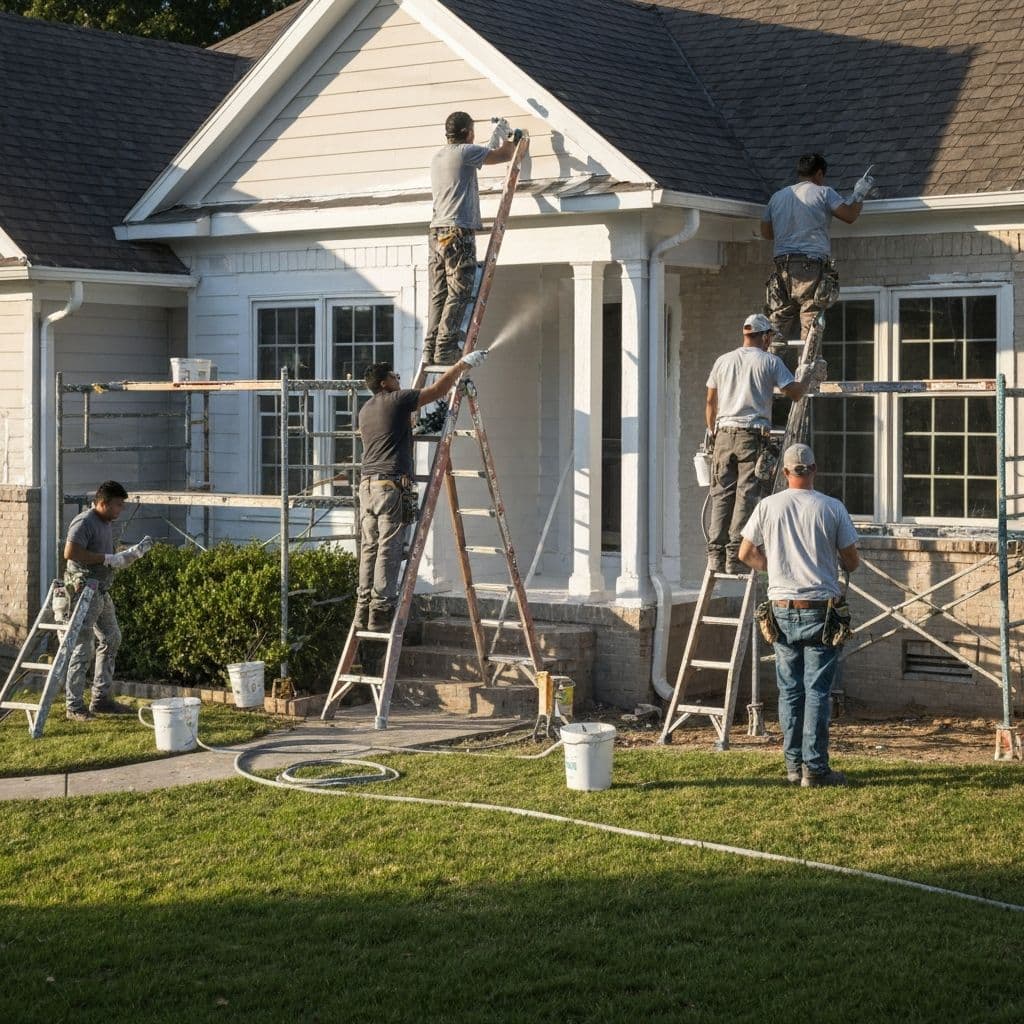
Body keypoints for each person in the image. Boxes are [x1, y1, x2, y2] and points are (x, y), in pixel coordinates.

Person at [738, 443, 860, 787]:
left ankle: (793, 768)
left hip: (780, 610)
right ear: (814, 469)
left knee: (789, 691)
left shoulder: (767, 506)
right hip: (821, 610)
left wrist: (773, 569)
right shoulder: (831, 508)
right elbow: (851, 562)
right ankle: (815, 769)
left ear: (786, 472)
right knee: (817, 692)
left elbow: (745, 552)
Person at [355, 349, 489, 632]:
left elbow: (391, 432)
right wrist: (462, 364)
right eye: (393, 375)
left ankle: (362, 609)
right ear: (383, 383)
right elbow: (438, 389)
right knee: (388, 550)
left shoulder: (365, 410)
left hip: (367, 487)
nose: (398, 378)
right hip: (390, 486)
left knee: (369, 549)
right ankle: (380, 612)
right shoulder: (398, 400)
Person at [705, 314, 820, 574]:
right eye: (770, 337)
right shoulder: (769, 361)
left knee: (721, 494)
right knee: (746, 493)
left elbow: (711, 401)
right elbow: (795, 393)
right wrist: (806, 376)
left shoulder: (723, 361)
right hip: (751, 435)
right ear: (765, 336)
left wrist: (712, 431)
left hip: (722, 435)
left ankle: (715, 554)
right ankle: (734, 556)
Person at [424, 111, 522, 366]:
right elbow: (503, 155)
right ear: (468, 132)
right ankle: (445, 349)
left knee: (440, 293)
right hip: (458, 233)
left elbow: (481, 154)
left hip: (437, 233)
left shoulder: (440, 156)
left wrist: (497, 135)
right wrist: (514, 138)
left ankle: (431, 348)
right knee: (460, 290)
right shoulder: (466, 153)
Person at [761, 153, 875, 345]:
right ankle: (807, 370)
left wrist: (790, 229)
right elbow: (849, 215)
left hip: (782, 268)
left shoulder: (777, 197)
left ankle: (770, 367)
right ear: (819, 173)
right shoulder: (824, 192)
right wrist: (859, 195)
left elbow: (766, 232)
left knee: (778, 321)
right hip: (810, 266)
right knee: (811, 319)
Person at [63, 480, 152, 720]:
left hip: (101, 591)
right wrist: (106, 559)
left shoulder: (105, 523)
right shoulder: (85, 521)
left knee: (111, 639)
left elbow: (104, 555)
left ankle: (100, 699)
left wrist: (126, 556)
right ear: (102, 503)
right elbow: (70, 552)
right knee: (83, 647)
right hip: (84, 591)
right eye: (117, 505)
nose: (120, 510)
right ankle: (74, 705)